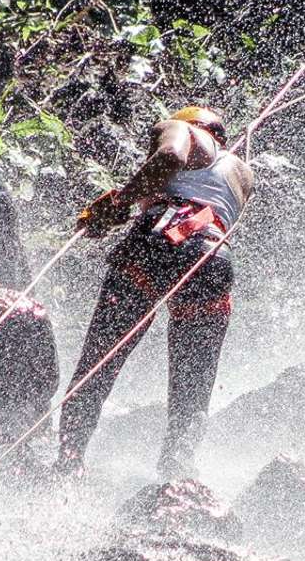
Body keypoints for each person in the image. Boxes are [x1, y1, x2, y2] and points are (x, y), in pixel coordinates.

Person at [56, 106, 255, 480]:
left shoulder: (181, 128)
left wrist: (119, 202)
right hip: (212, 259)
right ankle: (176, 476)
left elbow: (169, 157)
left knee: (100, 361)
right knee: (192, 386)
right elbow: (202, 201)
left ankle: (68, 462)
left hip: (158, 239)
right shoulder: (243, 175)